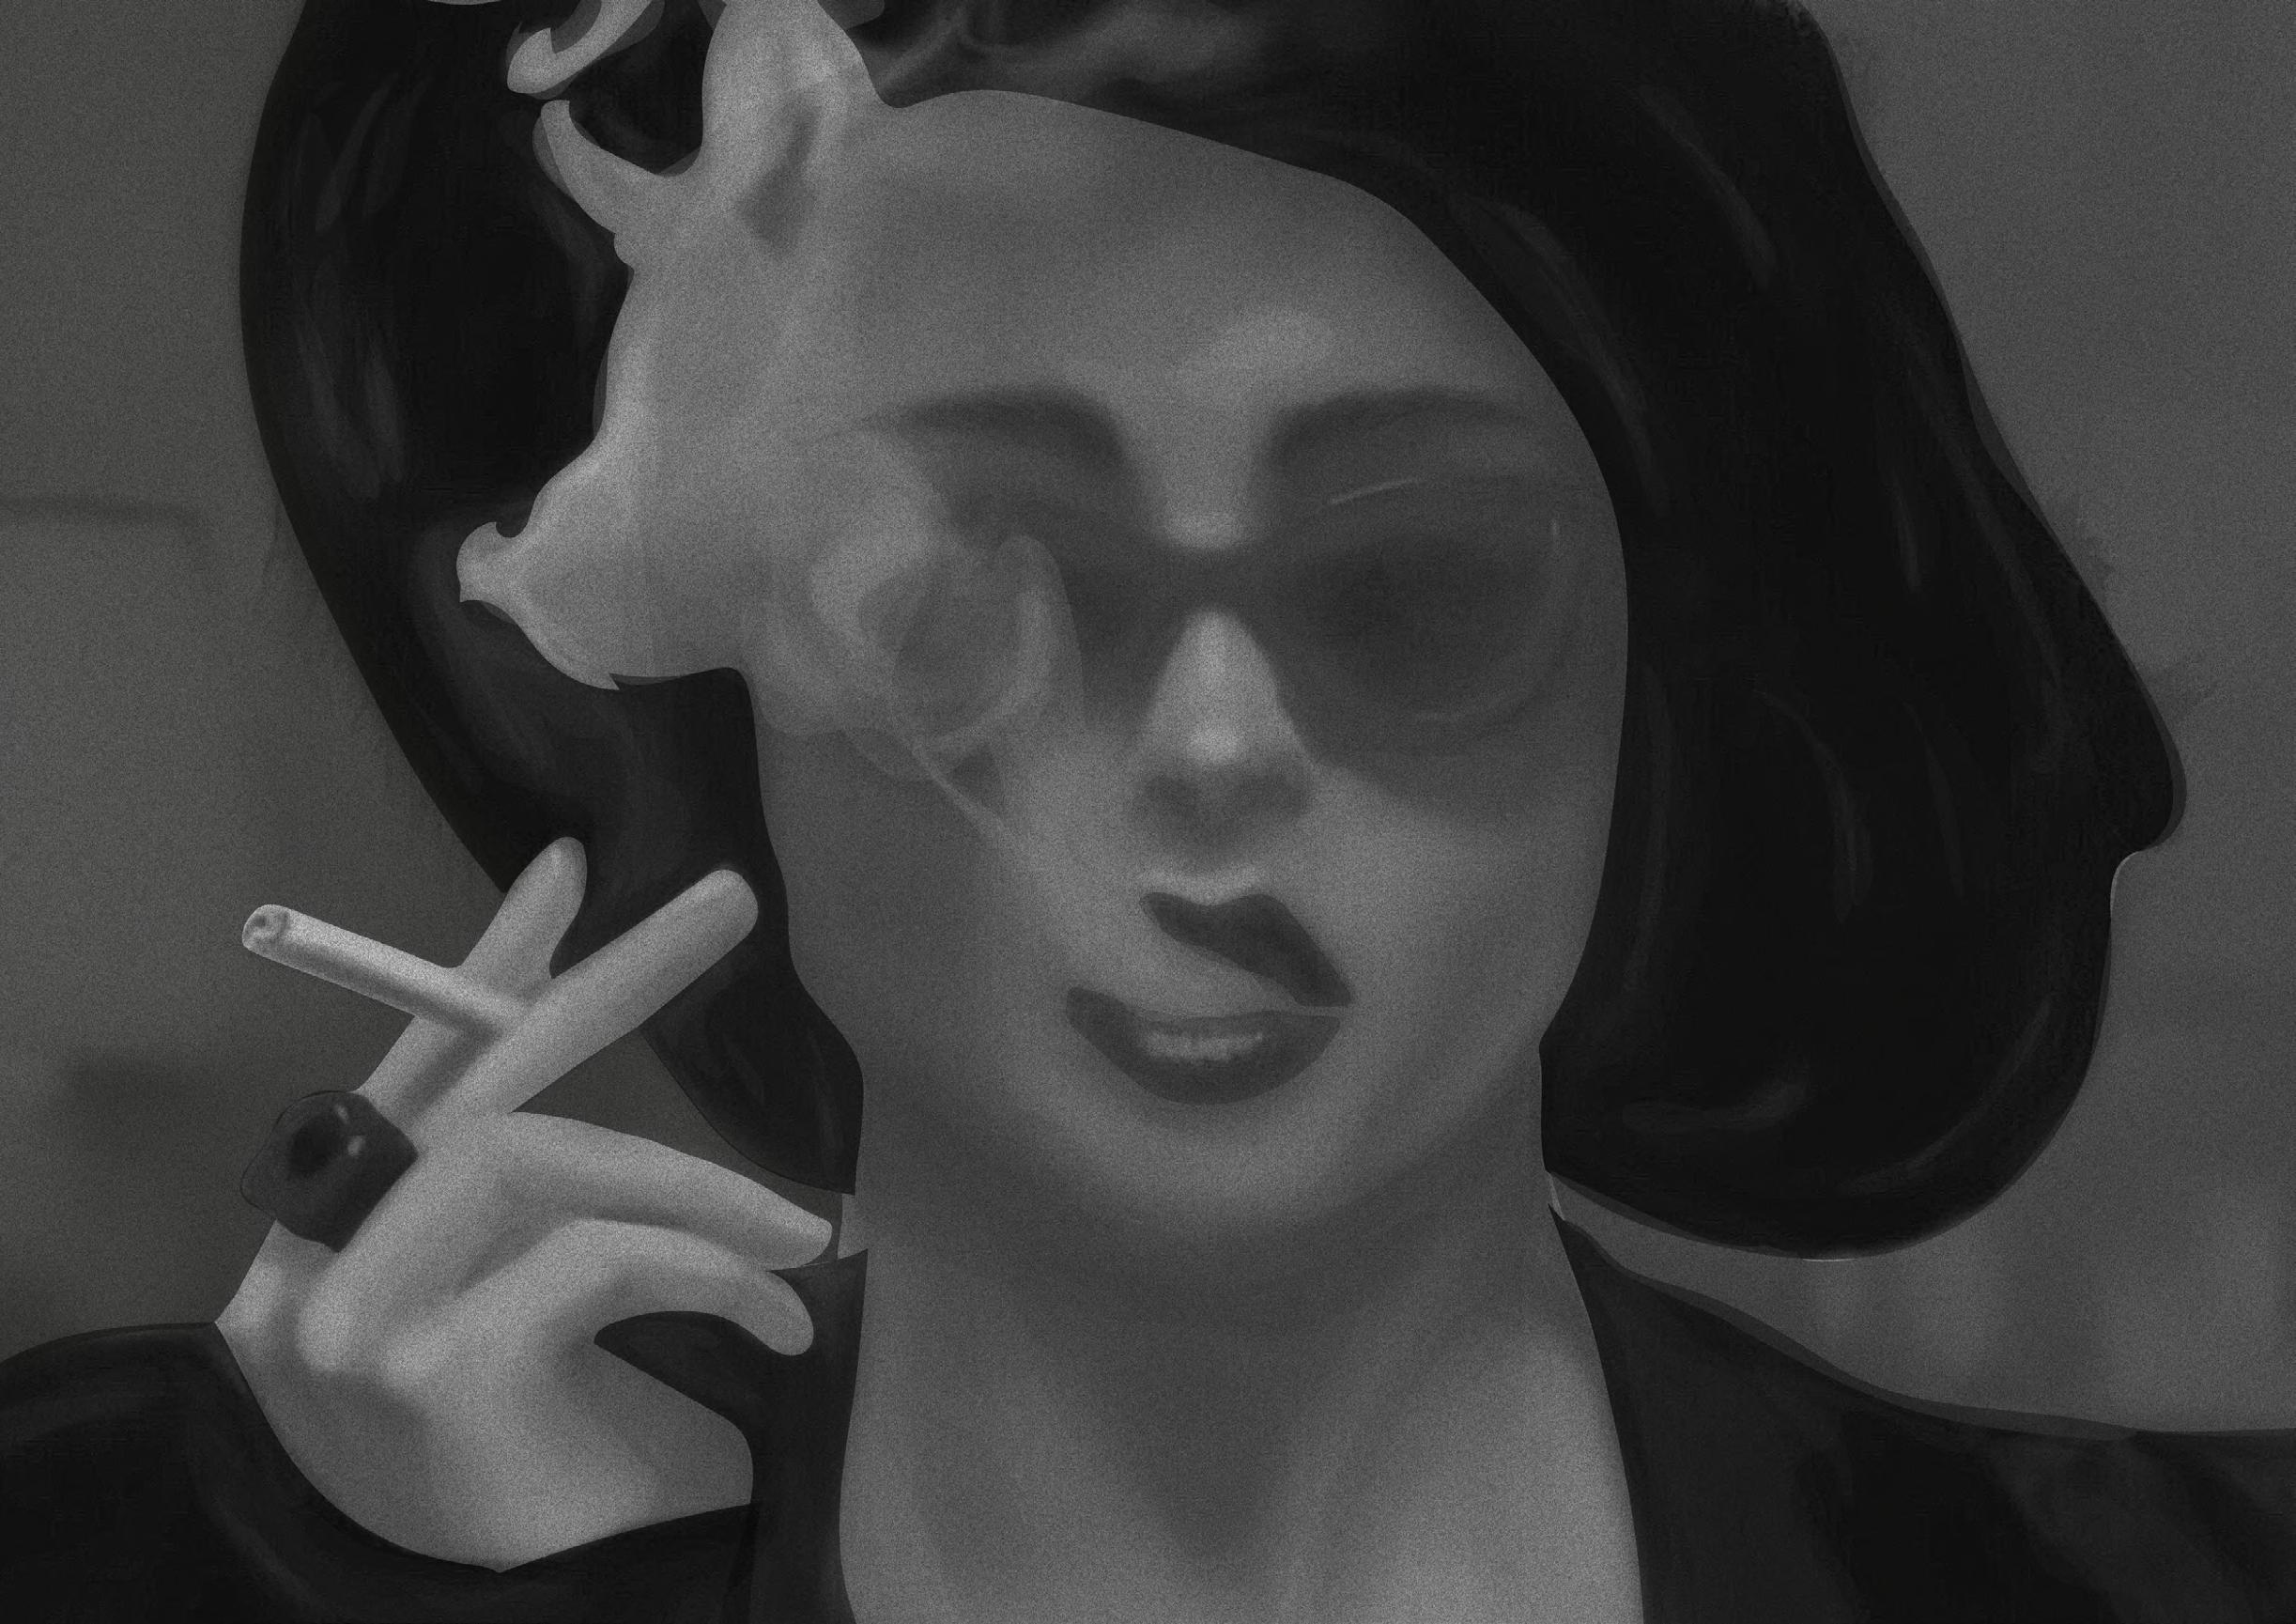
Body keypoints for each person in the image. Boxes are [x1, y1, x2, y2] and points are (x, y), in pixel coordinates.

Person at [5, 0, 2291, 1618]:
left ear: (1656, 671)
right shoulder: (147, 1550)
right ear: (724, 678)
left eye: (1405, 584)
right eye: (964, 582)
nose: (1213, 748)